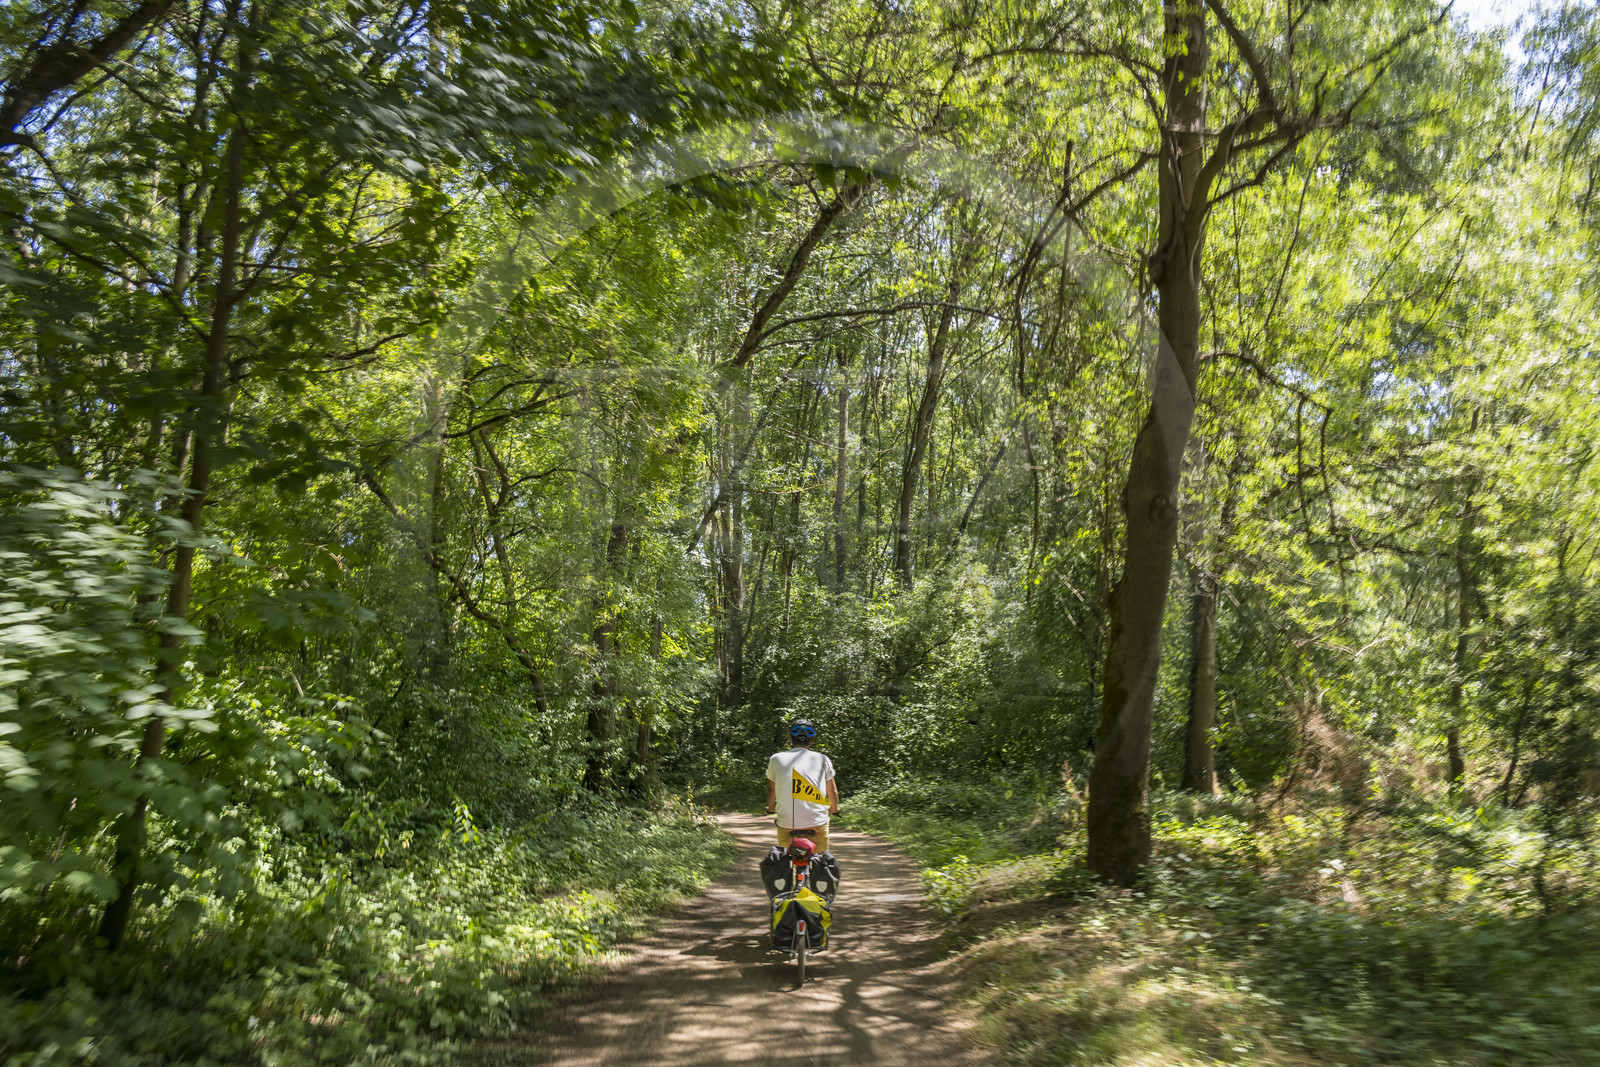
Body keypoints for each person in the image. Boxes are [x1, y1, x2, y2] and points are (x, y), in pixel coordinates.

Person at [765, 718, 839, 851]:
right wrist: (834, 808)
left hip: (787, 823)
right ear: (812, 741)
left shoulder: (776, 759)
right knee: (820, 857)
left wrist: (771, 808)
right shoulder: (823, 759)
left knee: (784, 856)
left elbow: (771, 791)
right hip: (816, 823)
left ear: (791, 739)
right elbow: (832, 792)